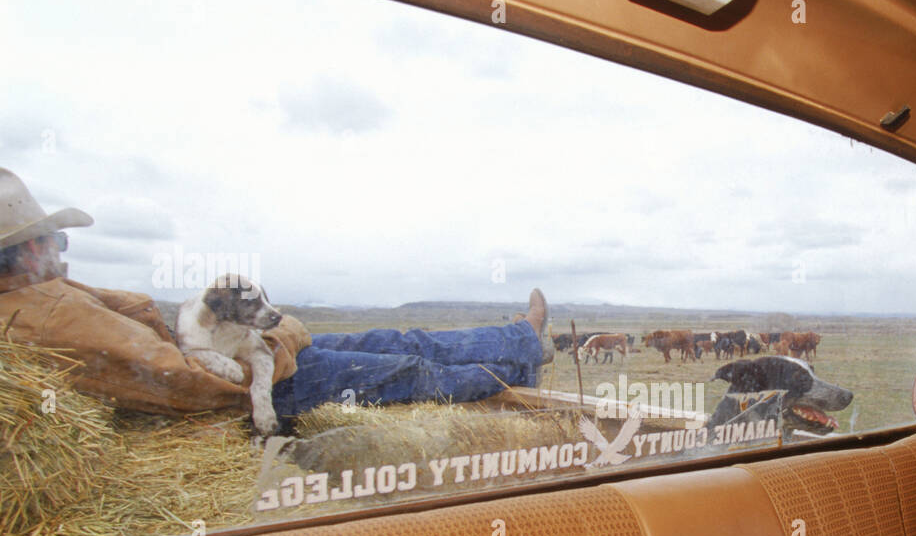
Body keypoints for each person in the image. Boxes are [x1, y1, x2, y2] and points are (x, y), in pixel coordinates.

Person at [0, 168, 552, 423]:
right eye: (57, 240)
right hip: (257, 386)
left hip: (250, 355)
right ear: (27, 252)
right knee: (402, 367)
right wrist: (279, 336)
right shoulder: (50, 314)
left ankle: (519, 340)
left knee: (387, 338)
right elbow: (183, 378)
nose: (62, 251)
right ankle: (513, 370)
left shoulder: (43, 297)